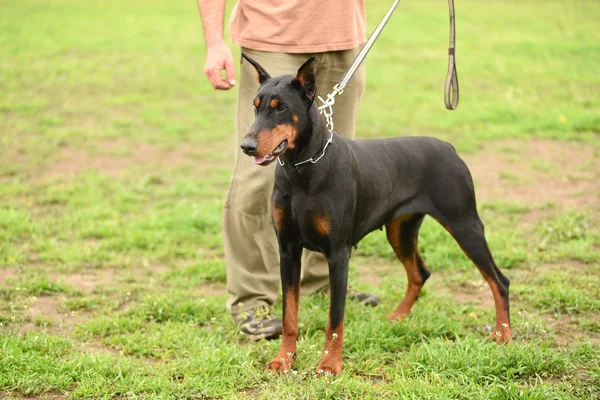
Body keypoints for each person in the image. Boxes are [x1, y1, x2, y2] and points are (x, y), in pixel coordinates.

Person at [197, 0, 379, 341]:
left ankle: (321, 280)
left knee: (336, 173)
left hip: (344, 40)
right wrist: (214, 41)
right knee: (259, 177)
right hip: (273, 38)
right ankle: (252, 298)